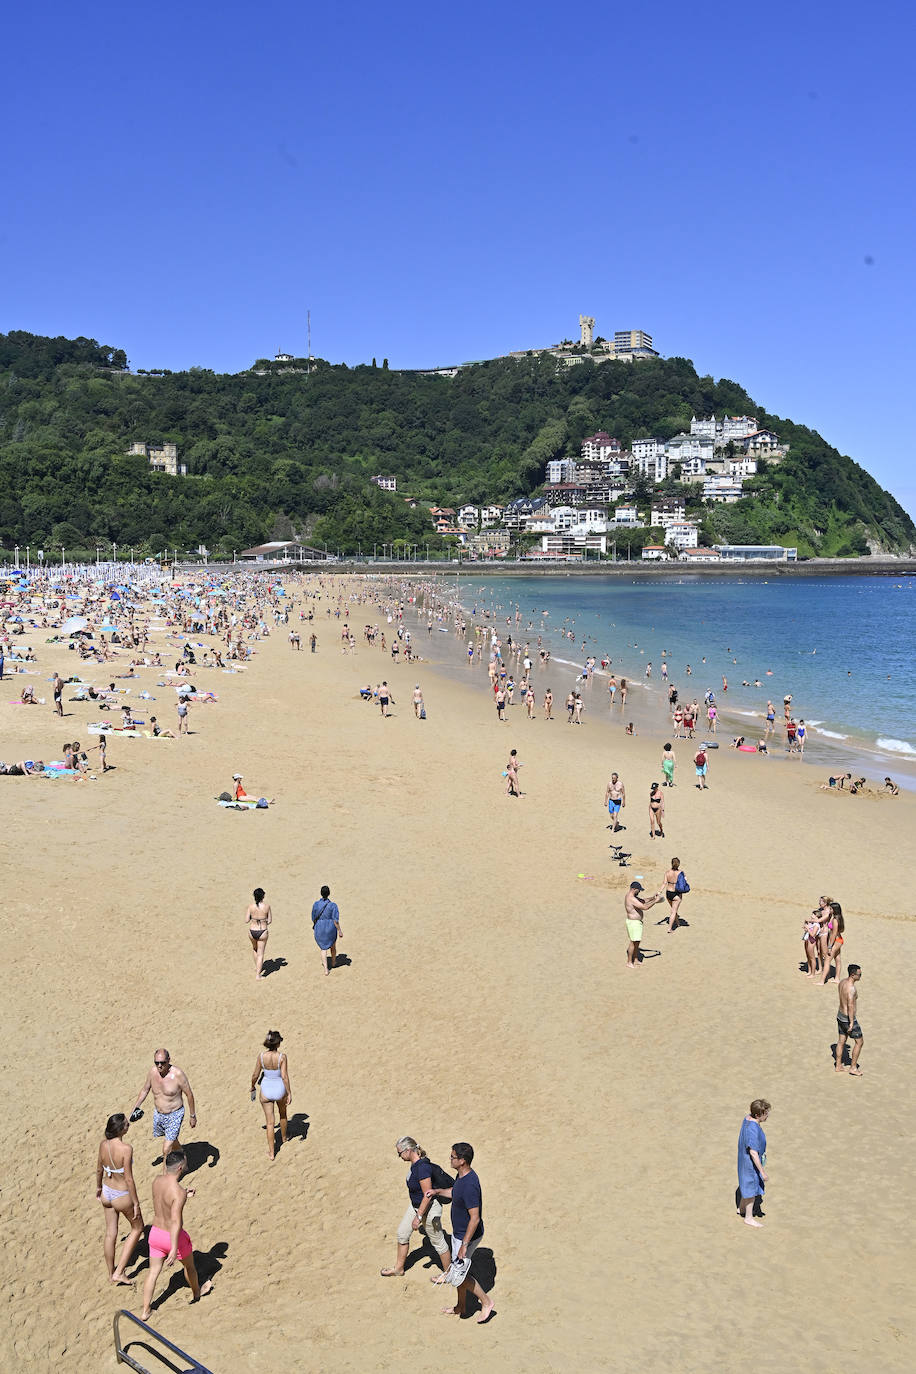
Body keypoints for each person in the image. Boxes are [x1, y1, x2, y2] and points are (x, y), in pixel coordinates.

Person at [140, 1149, 213, 1319]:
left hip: (155, 1233)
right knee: (190, 1267)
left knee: (153, 1272)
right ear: (180, 1168)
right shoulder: (178, 1192)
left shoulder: (157, 1181)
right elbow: (176, 1222)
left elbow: (165, 1198)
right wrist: (173, 1248)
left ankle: (145, 1310)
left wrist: (184, 1195)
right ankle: (197, 1294)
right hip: (172, 1237)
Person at [429, 1142, 495, 1322]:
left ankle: (487, 1302)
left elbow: (475, 1218)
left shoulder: (470, 1185)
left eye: (453, 1157)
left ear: (462, 1161)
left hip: (467, 1236)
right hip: (459, 1234)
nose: (450, 1159)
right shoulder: (461, 1177)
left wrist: (464, 1245)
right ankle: (461, 1306)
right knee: (458, 1273)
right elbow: (455, 1192)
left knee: (459, 1276)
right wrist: (438, 1191)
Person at [380, 1136, 450, 1277]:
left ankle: (449, 1274)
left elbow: (428, 1195)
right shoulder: (415, 1165)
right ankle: (399, 1269)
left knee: (438, 1241)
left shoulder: (422, 1168)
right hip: (415, 1206)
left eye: (400, 1153)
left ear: (408, 1150)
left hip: (431, 1210)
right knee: (402, 1233)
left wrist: (418, 1218)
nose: (399, 1156)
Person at [96, 1112, 143, 1285]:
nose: (128, 1125)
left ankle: (110, 1273)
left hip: (107, 1191)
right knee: (137, 1228)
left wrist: (98, 1187)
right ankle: (120, 1271)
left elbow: (99, 1169)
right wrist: (136, 1203)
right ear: (120, 1130)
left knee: (110, 1233)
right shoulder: (126, 1149)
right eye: (126, 1124)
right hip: (121, 1193)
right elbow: (129, 1179)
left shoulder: (103, 1145)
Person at [129, 1049, 197, 1165]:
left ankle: (166, 1175)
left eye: (162, 1063)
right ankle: (182, 1155)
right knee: (172, 1139)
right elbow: (145, 1090)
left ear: (169, 1060)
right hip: (159, 1114)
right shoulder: (152, 1072)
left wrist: (192, 1116)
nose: (159, 1066)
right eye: (156, 1063)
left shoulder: (177, 1075)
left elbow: (189, 1094)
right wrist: (135, 1108)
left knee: (166, 1149)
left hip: (175, 1114)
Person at [250, 1030, 291, 1159]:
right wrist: (289, 1092)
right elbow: (284, 1076)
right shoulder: (282, 1057)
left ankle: (272, 1152)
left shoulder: (261, 1056)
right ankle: (284, 1137)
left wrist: (252, 1086)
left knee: (269, 1123)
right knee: (283, 1113)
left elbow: (255, 1075)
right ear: (278, 1044)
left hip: (266, 1089)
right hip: (279, 1088)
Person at [737, 1100, 770, 1227]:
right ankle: (749, 1218)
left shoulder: (747, 1119)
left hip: (743, 1161)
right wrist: (762, 1172)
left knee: (745, 1185)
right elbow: (753, 1153)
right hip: (750, 1164)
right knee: (751, 1190)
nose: (767, 1116)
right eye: (765, 1113)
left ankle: (742, 1209)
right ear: (758, 1115)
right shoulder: (753, 1129)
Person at [625, 881, 663, 968]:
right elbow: (645, 907)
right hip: (633, 923)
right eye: (639, 890)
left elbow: (643, 900)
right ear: (634, 889)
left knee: (637, 942)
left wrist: (653, 898)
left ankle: (635, 959)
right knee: (633, 942)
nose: (639, 892)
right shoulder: (631, 898)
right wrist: (655, 901)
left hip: (637, 923)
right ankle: (629, 962)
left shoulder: (633, 896)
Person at [835, 965, 864, 1075]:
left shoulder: (842, 982)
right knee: (859, 1042)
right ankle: (853, 1068)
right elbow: (850, 1006)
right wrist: (851, 1023)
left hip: (840, 1015)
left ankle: (838, 1065)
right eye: (859, 974)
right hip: (848, 1019)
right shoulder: (851, 989)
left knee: (841, 1041)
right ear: (853, 975)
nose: (860, 976)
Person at [311, 884, 342, 975]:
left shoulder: (316, 904)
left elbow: (313, 917)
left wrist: (316, 924)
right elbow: (335, 920)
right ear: (329, 893)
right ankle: (333, 962)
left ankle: (326, 969)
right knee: (333, 946)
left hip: (319, 927)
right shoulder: (333, 905)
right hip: (330, 927)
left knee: (323, 949)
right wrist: (339, 930)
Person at [245, 886, 272, 978]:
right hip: (262, 931)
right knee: (261, 953)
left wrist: (254, 917)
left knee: (255, 949)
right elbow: (269, 921)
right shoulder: (267, 907)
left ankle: (257, 968)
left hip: (252, 930)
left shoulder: (250, 906)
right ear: (263, 896)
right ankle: (258, 975)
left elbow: (246, 920)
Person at [664, 857, 687, 934]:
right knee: (673, 911)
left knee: (674, 909)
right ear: (679, 864)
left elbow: (664, 883)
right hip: (676, 893)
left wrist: (659, 891)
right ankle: (669, 928)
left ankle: (677, 923)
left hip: (668, 893)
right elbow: (685, 881)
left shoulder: (667, 872)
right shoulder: (681, 873)